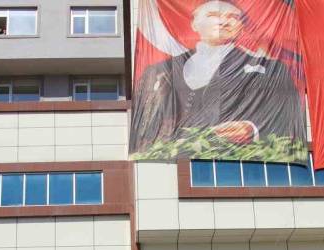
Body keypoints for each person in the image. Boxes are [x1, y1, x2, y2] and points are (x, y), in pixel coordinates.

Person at [130, 0, 303, 154]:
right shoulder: (158, 72)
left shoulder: (271, 70)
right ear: (194, 24)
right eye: (213, 15)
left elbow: (287, 116)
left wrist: (253, 130)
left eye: (233, 17)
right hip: (175, 163)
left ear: (241, 27)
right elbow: (144, 122)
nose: (223, 22)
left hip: (239, 160)